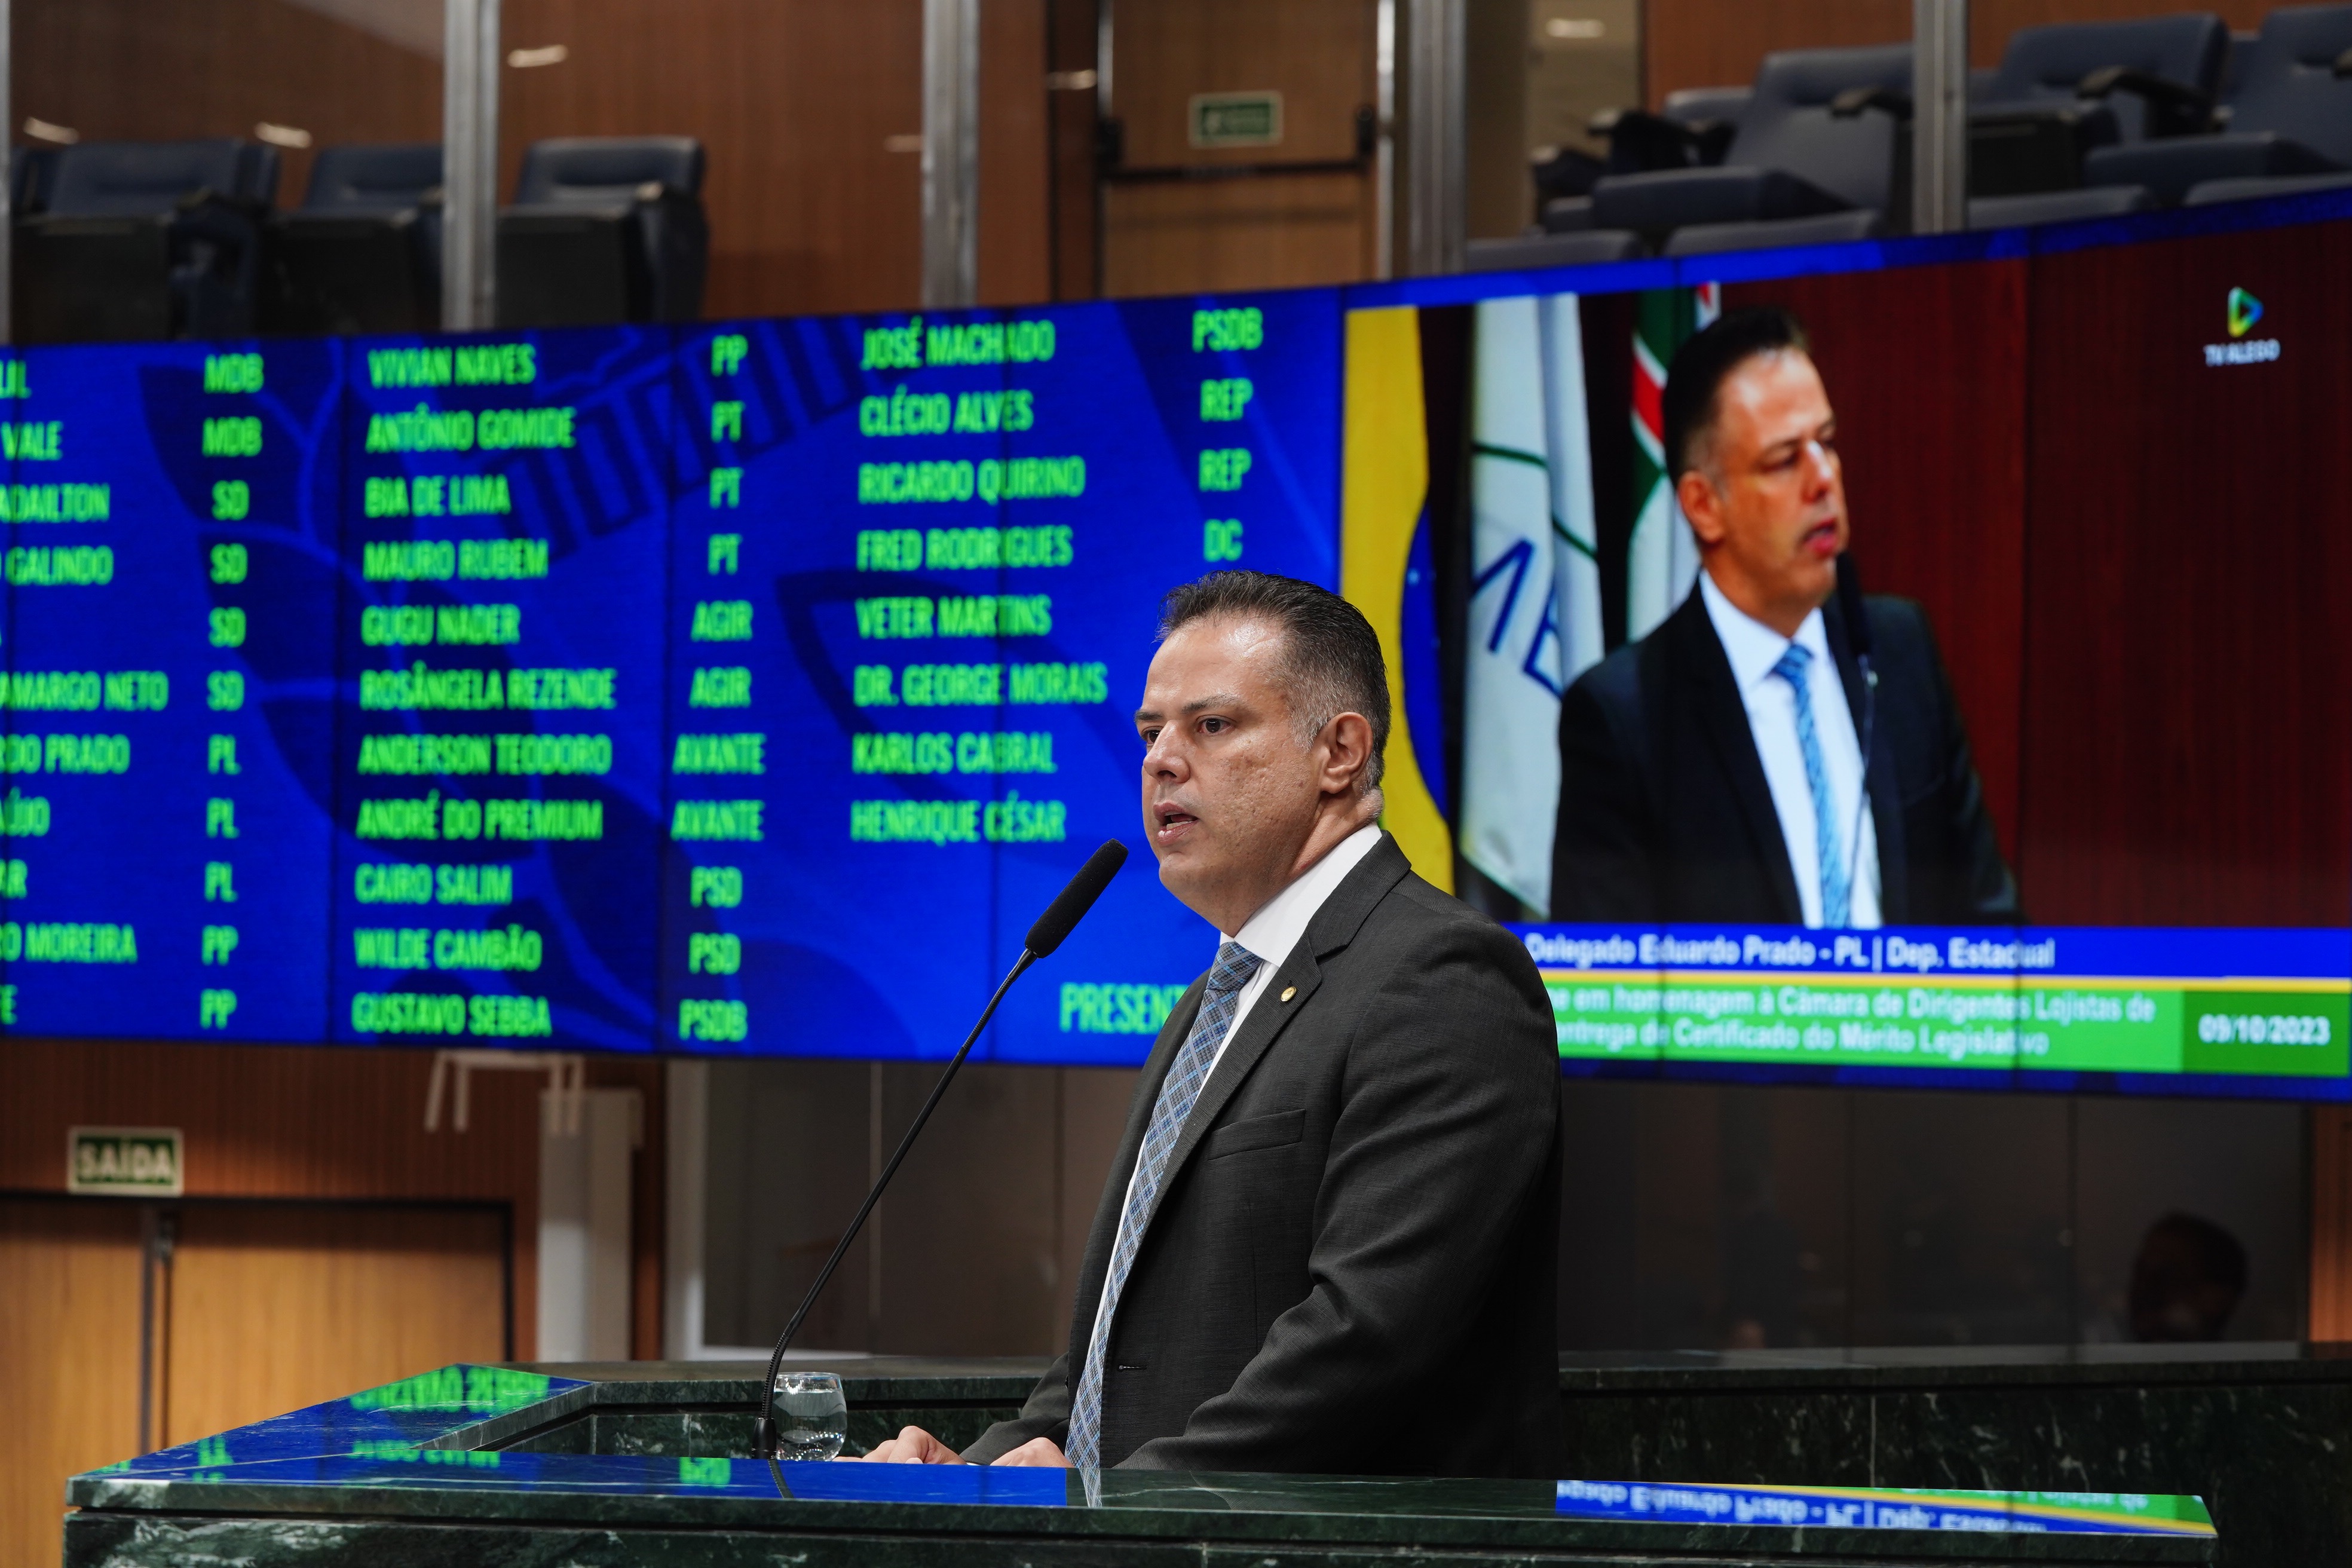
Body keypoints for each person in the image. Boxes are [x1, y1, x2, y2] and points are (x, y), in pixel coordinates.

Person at [858, 571, 1563, 1475]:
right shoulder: (1216, 996)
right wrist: (975, 1475)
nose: (1161, 760)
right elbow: (1111, 1355)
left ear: (1340, 751)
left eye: (1213, 725)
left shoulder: (1441, 977)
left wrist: (1109, 1503)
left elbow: (1365, 1339)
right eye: (1151, 732)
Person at [1551, 307, 2017, 927]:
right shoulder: (1625, 719)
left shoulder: (1902, 651)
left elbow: (1991, 924)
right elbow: (1607, 974)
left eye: (1827, 443)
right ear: (1703, 505)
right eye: (1784, 460)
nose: (1825, 479)